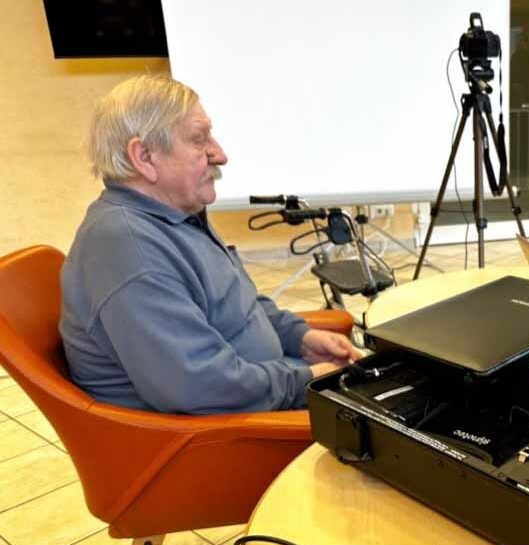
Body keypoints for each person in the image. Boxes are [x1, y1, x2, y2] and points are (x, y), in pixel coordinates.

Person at [60, 75, 358, 414]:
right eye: (200, 140)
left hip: (260, 395)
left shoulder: (177, 215)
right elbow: (198, 385)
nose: (220, 154)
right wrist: (309, 381)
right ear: (144, 156)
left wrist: (299, 339)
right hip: (223, 436)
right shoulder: (127, 245)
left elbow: (238, 303)